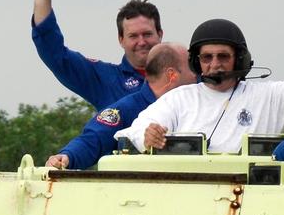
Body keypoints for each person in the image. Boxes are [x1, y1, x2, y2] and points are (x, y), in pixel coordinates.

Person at [115, 18, 284, 154]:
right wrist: (147, 136)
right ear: (196, 62)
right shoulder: (179, 98)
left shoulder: (271, 97)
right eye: (207, 57)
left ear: (239, 60)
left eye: (223, 56)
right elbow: (136, 130)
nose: (214, 64)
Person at [32, 0, 163, 109]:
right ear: (121, 39)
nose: (141, 42)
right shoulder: (105, 79)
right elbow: (55, 55)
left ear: (160, 34)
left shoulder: (184, 75)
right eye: (133, 36)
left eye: (147, 34)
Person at [46, 43, 193, 170]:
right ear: (172, 75)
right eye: (192, 68)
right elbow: (94, 139)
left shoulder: (198, 104)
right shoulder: (128, 108)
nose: (198, 74)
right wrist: (67, 156)